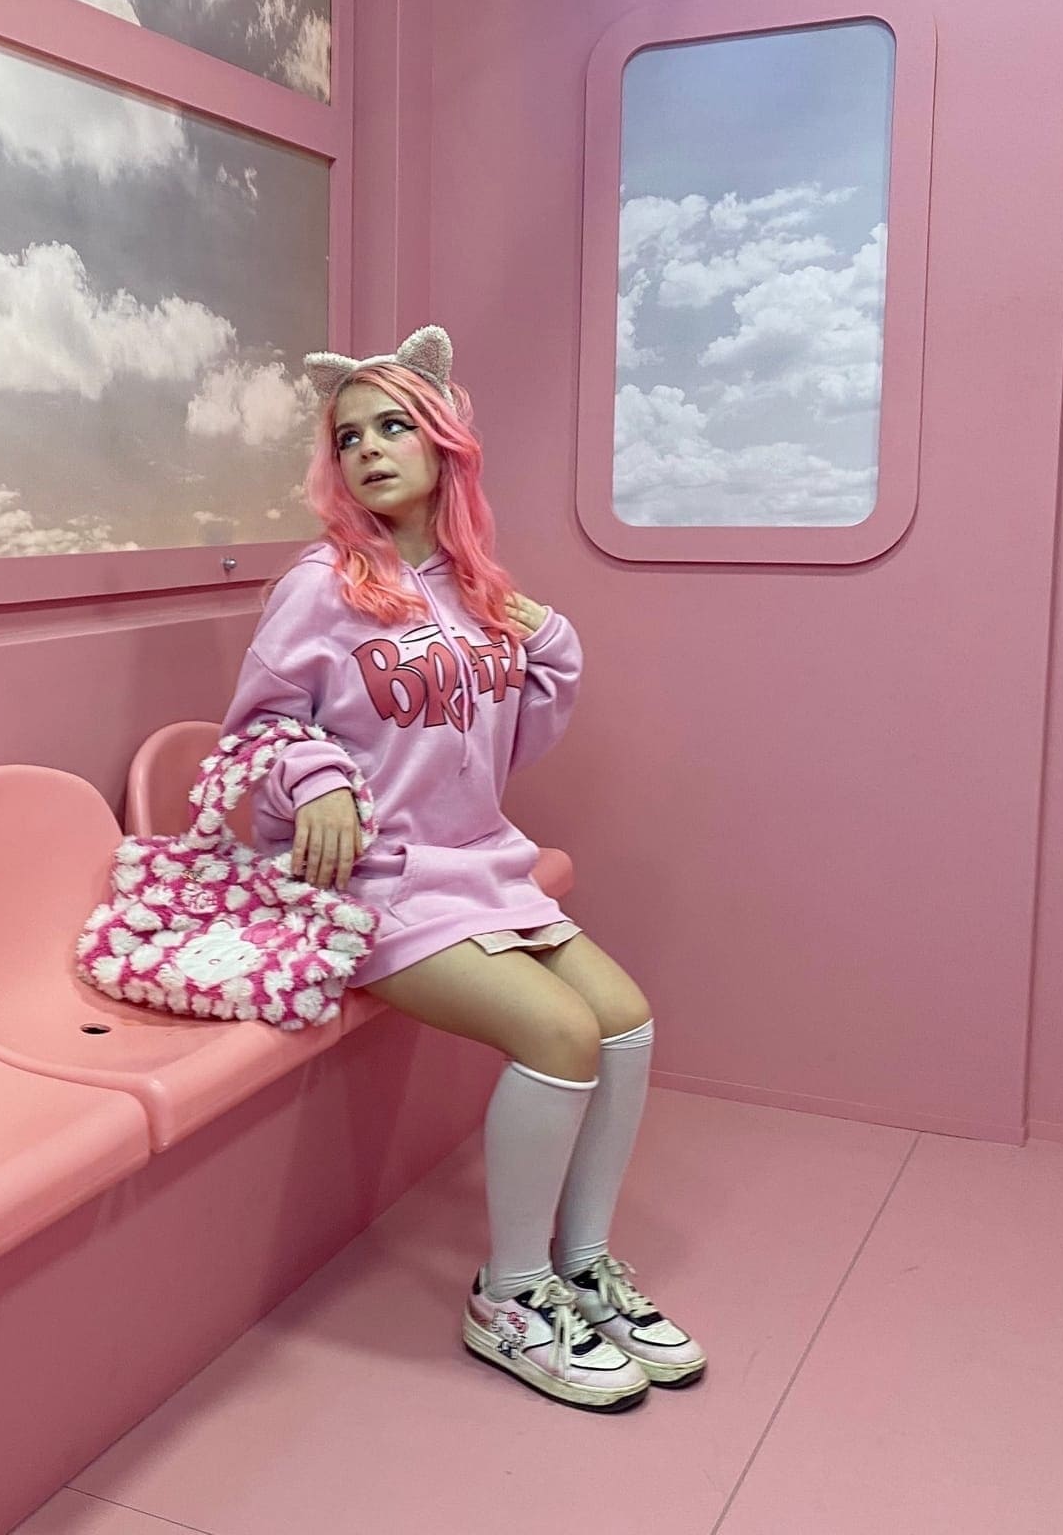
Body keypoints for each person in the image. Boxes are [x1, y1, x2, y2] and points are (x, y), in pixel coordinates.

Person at [219, 326, 706, 1412]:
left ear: (446, 445)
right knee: (559, 1032)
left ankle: (581, 1265)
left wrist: (552, 644)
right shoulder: (321, 586)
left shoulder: (474, 586)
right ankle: (512, 1296)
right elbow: (254, 731)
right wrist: (318, 779)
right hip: (372, 880)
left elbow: (506, 741)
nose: (368, 451)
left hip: (476, 858)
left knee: (624, 1024)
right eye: (349, 438)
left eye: (394, 427)